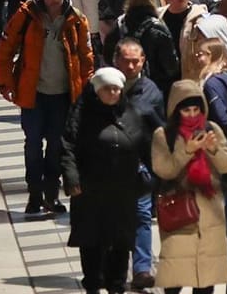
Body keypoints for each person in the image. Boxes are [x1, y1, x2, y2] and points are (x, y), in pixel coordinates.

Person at [0, 0, 97, 217]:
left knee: (56, 146)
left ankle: (51, 195)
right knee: (32, 144)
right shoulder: (26, 15)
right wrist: (6, 83)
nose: (54, 0)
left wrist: (85, 91)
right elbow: (5, 50)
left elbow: (86, 59)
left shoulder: (76, 19)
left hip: (63, 96)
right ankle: (34, 193)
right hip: (33, 94)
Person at [63, 66, 151, 294]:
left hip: (122, 194)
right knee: (92, 244)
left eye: (116, 89)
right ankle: (92, 285)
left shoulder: (131, 114)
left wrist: (151, 180)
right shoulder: (82, 115)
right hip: (90, 192)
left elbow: (146, 147)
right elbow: (68, 146)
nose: (112, 94)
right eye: (107, 89)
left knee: (121, 246)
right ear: (97, 91)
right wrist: (72, 178)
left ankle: (117, 287)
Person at [150, 79, 227, 294]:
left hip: (210, 212)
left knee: (206, 278)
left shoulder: (211, 129)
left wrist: (213, 149)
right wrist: (186, 151)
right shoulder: (164, 135)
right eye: (186, 110)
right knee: (175, 276)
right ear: (175, 110)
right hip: (179, 211)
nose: (191, 115)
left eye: (195, 109)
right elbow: (164, 169)